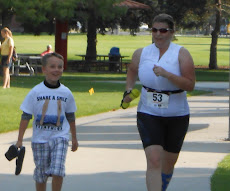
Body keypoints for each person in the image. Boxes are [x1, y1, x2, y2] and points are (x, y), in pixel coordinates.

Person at [122, 13, 195, 191]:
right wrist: (129, 90)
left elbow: (190, 85)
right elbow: (131, 70)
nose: (158, 34)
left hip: (176, 114)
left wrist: (167, 74)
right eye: (154, 30)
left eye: (163, 30)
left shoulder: (181, 53)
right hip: (148, 112)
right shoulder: (142, 53)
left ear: (171, 32)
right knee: (154, 159)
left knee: (168, 164)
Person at [15, 52, 79, 191]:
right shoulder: (35, 92)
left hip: (60, 137)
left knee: (57, 170)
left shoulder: (66, 93)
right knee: (41, 173)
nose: (56, 70)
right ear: (44, 69)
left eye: (60, 67)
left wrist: (74, 138)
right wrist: (19, 139)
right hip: (40, 139)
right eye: (52, 66)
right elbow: (26, 116)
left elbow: (70, 116)